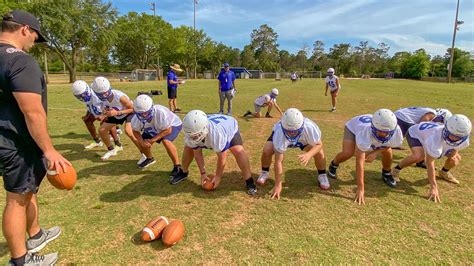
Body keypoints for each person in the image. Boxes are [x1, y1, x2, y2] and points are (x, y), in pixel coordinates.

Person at [0, 10, 71, 265]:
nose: (33, 43)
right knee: (16, 200)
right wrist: (49, 150)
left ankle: (36, 234)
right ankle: (21, 260)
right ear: (24, 29)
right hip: (16, 142)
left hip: (4, 140)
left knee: (27, 190)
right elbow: (32, 112)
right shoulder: (20, 61)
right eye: (34, 37)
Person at [170, 110, 258, 195]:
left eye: (195, 135)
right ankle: (184, 172)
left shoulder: (217, 135)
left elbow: (222, 156)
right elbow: (197, 153)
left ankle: (249, 180)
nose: (193, 137)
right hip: (212, 125)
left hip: (229, 125)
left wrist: (218, 176)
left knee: (238, 150)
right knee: (188, 147)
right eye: (191, 135)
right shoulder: (192, 131)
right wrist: (203, 174)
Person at [327, 109, 403, 205]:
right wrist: (360, 188)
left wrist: (375, 153)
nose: (384, 135)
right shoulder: (365, 132)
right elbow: (360, 160)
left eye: (387, 133)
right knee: (348, 153)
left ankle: (386, 173)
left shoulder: (396, 131)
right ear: (373, 127)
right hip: (354, 128)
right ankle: (334, 164)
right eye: (380, 132)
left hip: (369, 128)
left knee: (388, 151)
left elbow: (390, 144)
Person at [391, 115, 471, 202]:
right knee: (418, 156)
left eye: (458, 137)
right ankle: (395, 170)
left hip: (430, 135)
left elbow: (456, 148)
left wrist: (453, 155)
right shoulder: (434, 137)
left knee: (456, 159)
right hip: (415, 133)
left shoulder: (464, 140)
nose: (454, 139)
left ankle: (444, 172)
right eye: (453, 135)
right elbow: (430, 162)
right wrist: (434, 187)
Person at [256, 108, 330, 199]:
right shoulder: (279, 131)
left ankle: (322, 175)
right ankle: (264, 172)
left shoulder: (309, 127)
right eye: (288, 131)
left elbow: (319, 145)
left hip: (302, 140)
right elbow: (278, 161)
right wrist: (278, 185)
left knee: (319, 153)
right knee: (267, 150)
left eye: (294, 131)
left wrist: (309, 154)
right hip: (283, 138)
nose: (291, 134)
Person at [91, 76, 142, 161]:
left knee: (129, 131)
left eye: (105, 93)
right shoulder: (100, 98)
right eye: (101, 94)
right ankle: (111, 150)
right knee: (102, 130)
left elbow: (133, 109)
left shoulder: (119, 96)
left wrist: (117, 112)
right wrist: (105, 113)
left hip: (128, 113)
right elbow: (105, 108)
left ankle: (144, 154)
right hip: (116, 114)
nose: (104, 95)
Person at [131, 94, 183, 174]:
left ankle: (177, 166)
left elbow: (168, 130)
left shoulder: (161, 112)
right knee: (142, 141)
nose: (143, 115)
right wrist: (141, 141)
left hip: (173, 124)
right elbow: (135, 131)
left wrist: (152, 140)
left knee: (166, 141)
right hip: (156, 127)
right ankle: (149, 158)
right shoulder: (135, 119)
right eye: (140, 113)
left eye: (146, 112)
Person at [71, 80, 121, 149]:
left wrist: (104, 115)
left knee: (105, 122)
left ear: (87, 89)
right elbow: (89, 105)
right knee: (87, 120)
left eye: (83, 95)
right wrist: (88, 113)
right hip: (98, 108)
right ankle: (97, 141)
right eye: (79, 96)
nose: (82, 97)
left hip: (108, 108)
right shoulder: (87, 95)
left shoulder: (96, 95)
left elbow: (108, 105)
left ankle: (117, 143)